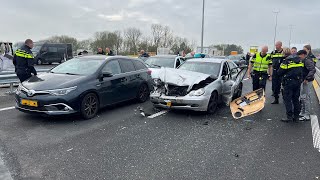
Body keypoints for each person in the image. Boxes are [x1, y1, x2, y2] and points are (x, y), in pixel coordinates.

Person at [278, 48, 304, 122]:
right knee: (296, 99)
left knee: (288, 100)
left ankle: (289, 117)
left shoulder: (286, 61)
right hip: (297, 82)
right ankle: (296, 117)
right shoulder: (299, 60)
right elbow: (302, 71)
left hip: (288, 83)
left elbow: (280, 72)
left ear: (284, 54)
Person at [300, 45, 316, 121]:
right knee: (303, 96)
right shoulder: (304, 60)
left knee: (306, 97)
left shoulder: (308, 60)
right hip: (304, 80)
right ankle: (303, 112)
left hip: (307, 81)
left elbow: (313, 70)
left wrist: (307, 78)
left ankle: (307, 114)